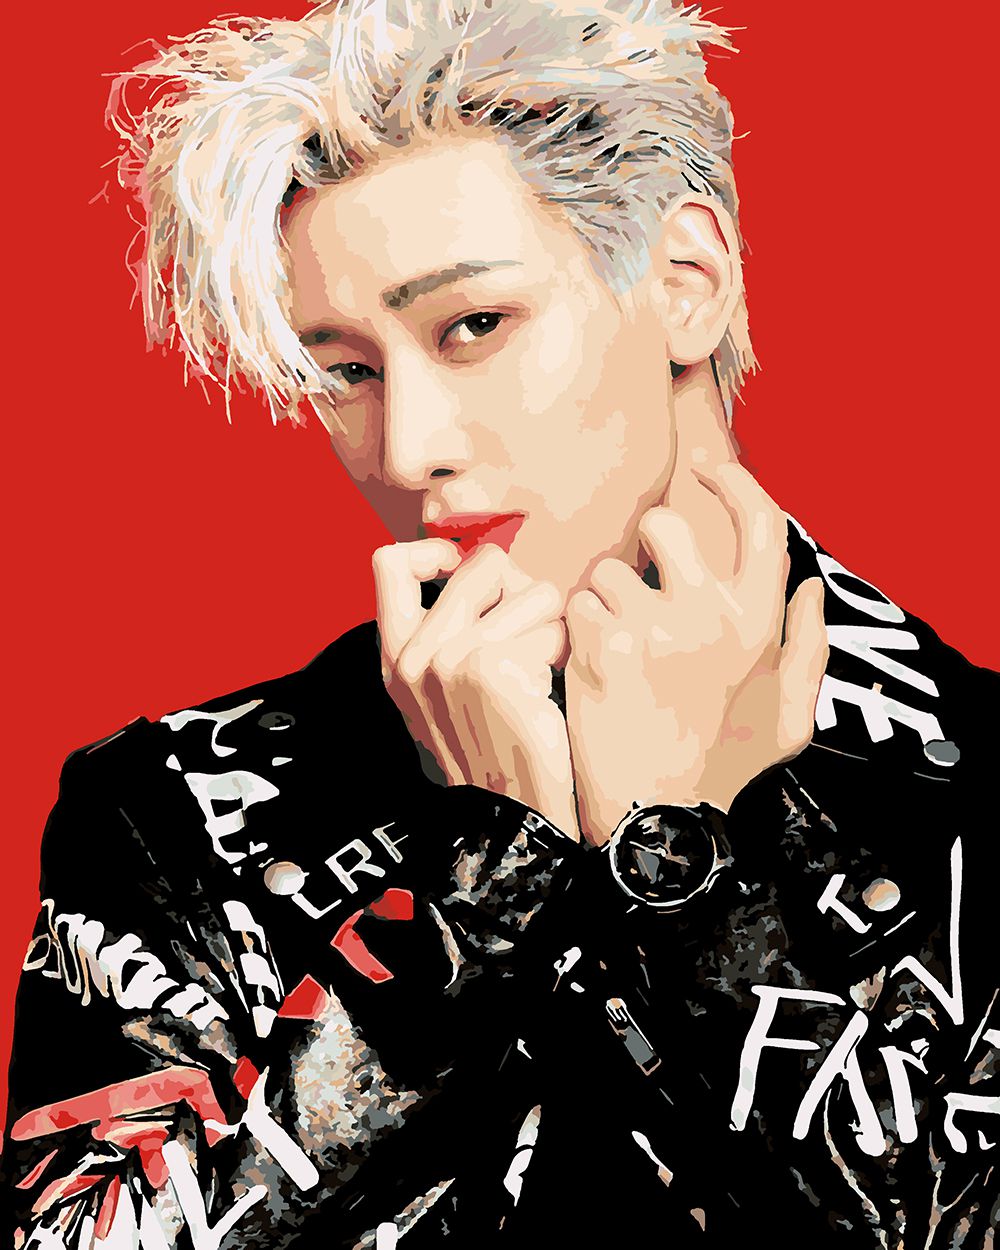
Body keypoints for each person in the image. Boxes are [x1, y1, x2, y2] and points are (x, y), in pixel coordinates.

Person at [2, 1, 997, 1245]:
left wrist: (675, 860)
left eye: (473, 325)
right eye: (346, 370)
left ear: (685, 284)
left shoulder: (976, 778)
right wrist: (492, 871)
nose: (407, 448)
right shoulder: (177, 813)